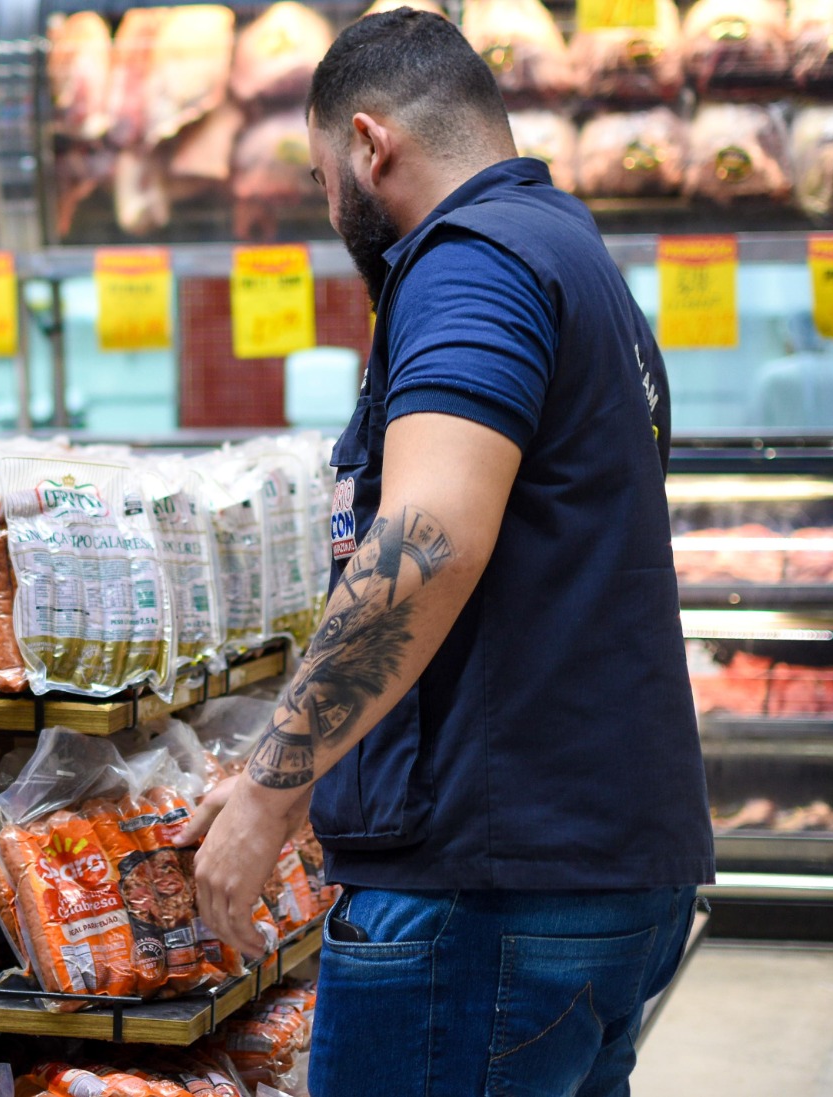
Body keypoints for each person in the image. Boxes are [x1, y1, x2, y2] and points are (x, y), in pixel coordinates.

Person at [185, 11, 714, 1095]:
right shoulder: (568, 252)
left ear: (371, 146)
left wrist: (269, 796)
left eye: (328, 177)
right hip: (594, 869)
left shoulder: (466, 265)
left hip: (492, 894)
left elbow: (425, 539)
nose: (333, 208)